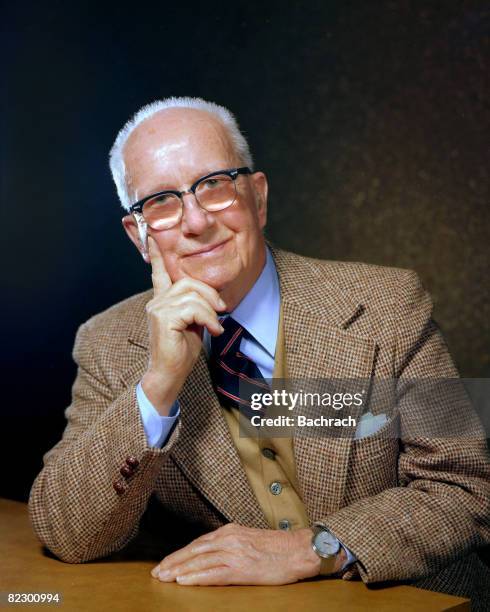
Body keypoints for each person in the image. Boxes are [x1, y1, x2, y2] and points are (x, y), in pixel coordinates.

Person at [28, 97, 489, 606]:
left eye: (215, 185)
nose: (196, 221)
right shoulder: (107, 342)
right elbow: (66, 533)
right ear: (138, 235)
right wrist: (159, 383)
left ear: (258, 196)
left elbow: (466, 490)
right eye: (160, 201)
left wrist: (312, 549)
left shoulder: (388, 305)